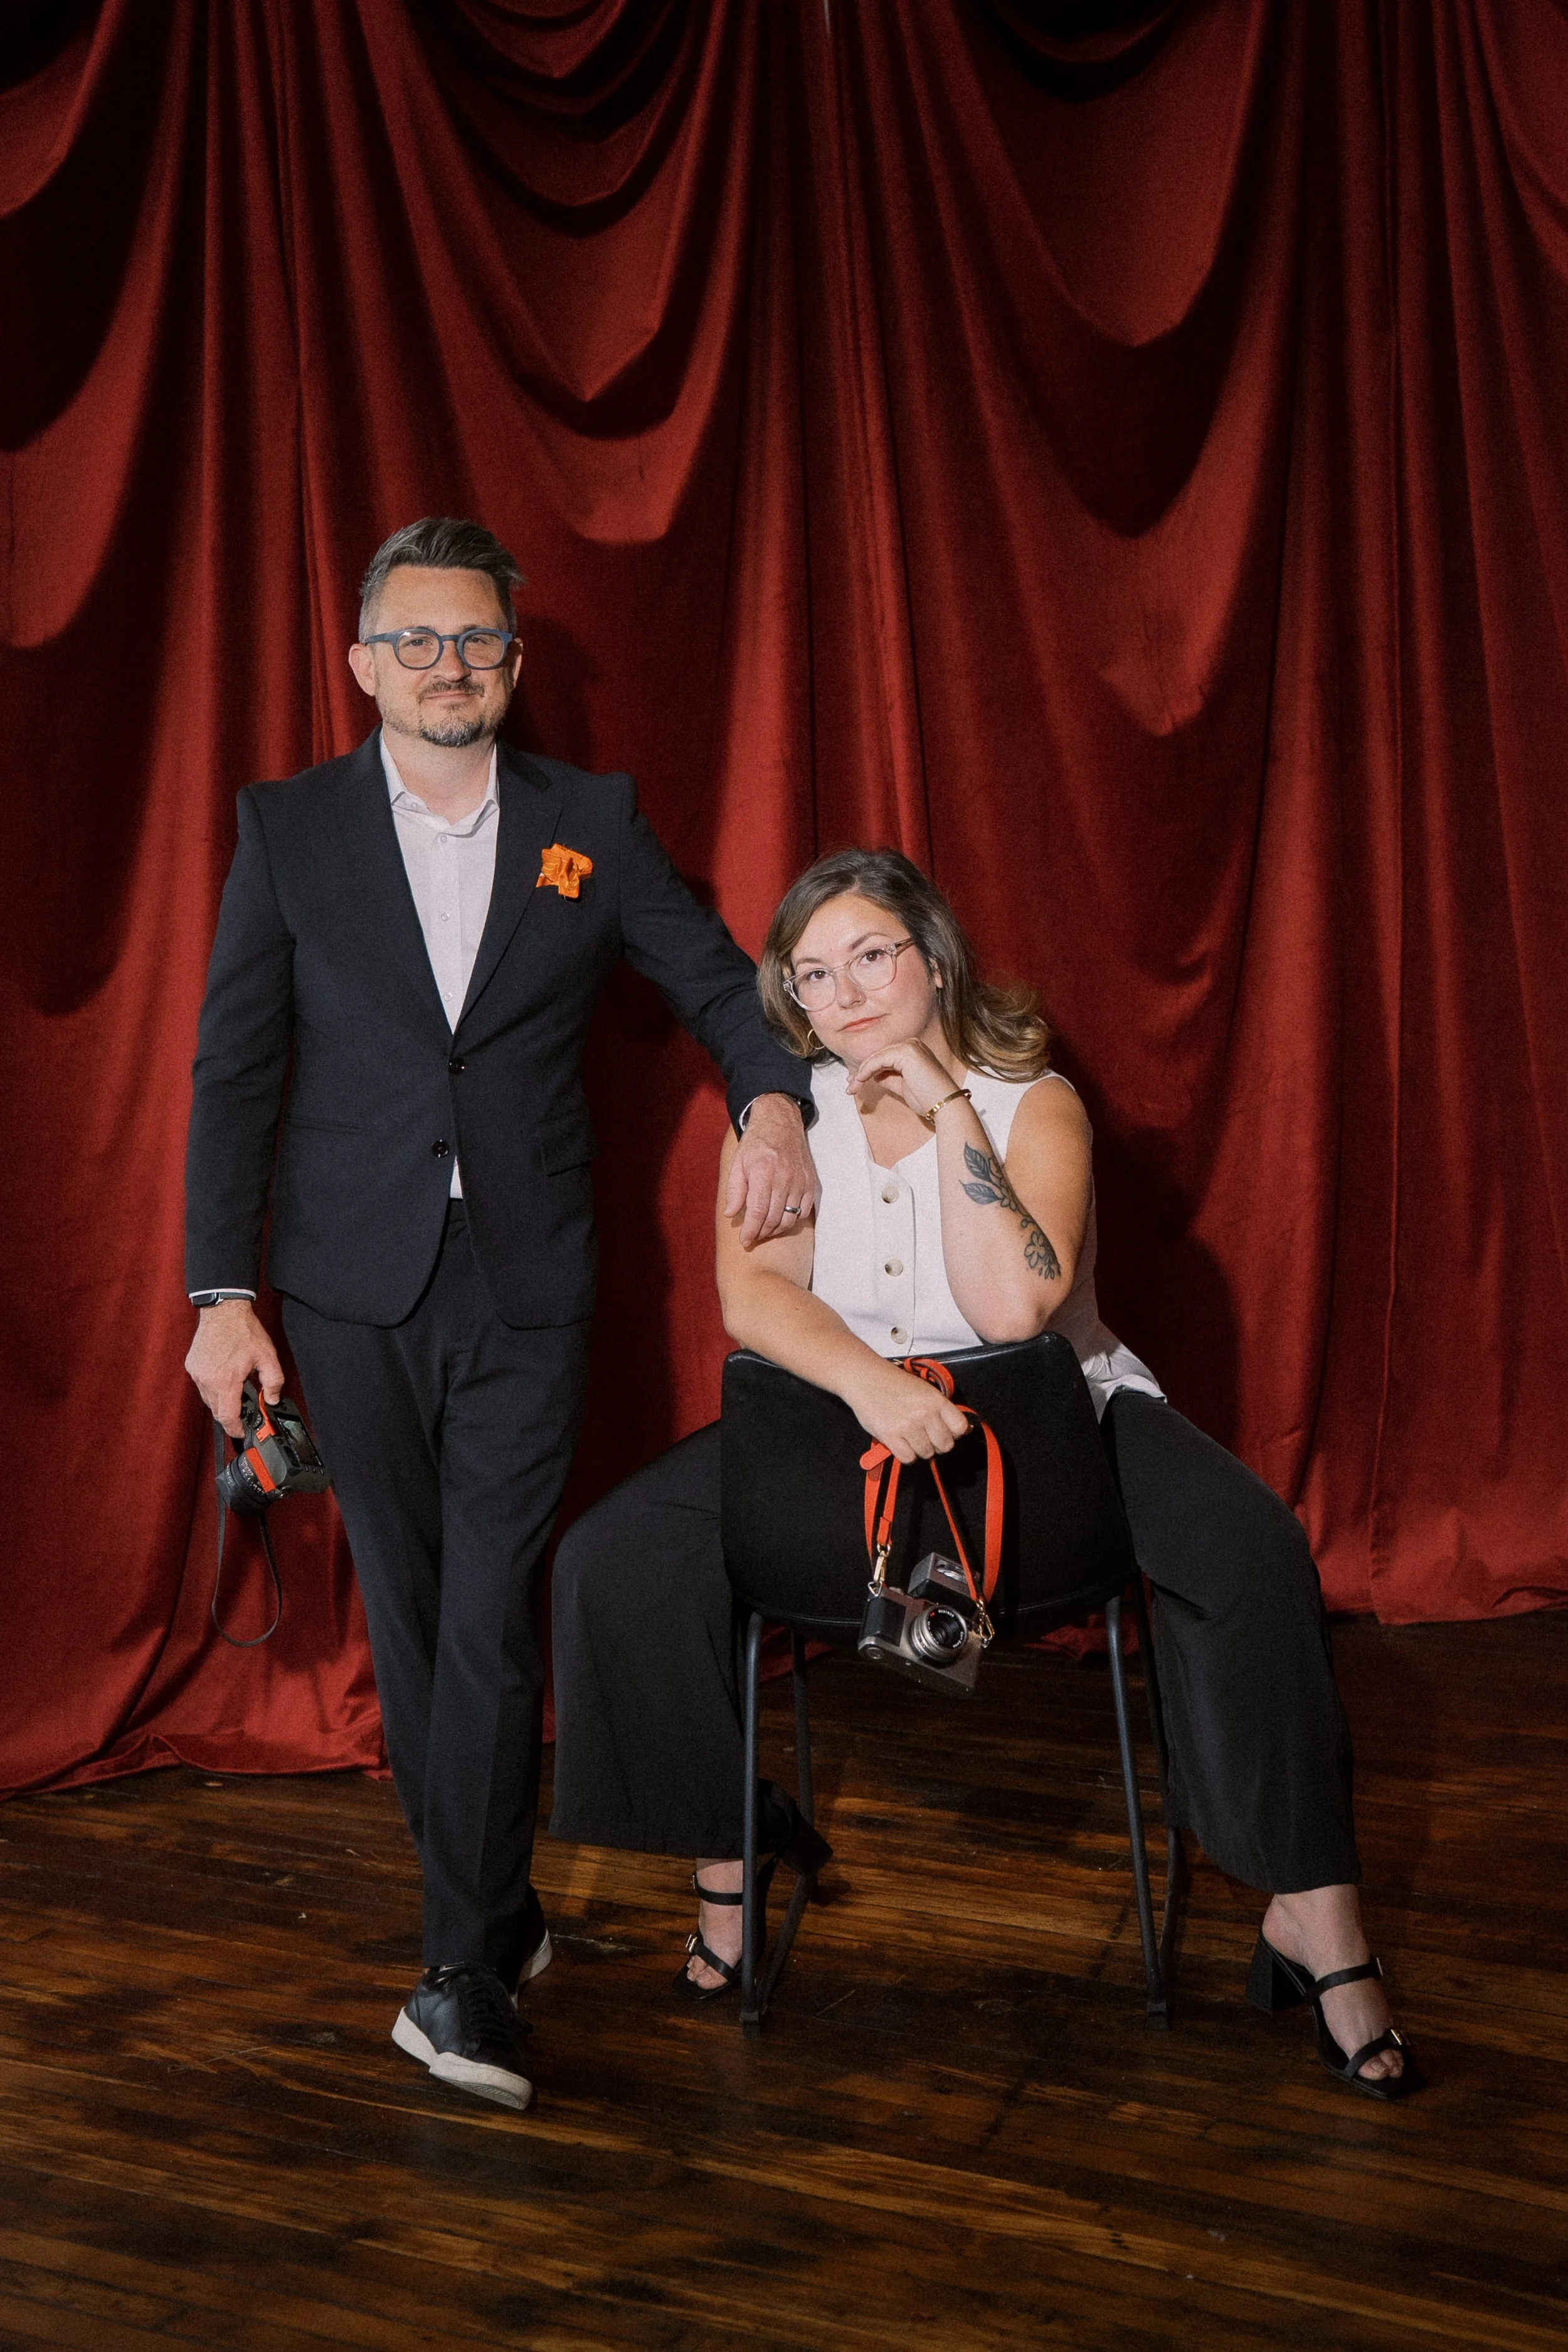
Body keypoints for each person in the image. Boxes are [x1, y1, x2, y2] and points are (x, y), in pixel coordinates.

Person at [551, 847, 1420, 2101]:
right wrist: (868, 1384)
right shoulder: (783, 1113)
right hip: (845, 1424)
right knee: (613, 1562)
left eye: (870, 956)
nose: (844, 994)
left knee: (1250, 1553)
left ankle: (1316, 1925)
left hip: (1055, 1421)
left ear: (931, 955)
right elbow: (751, 1296)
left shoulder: (1033, 1102)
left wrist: (950, 1105)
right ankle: (730, 1854)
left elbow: (1014, 1309)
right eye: (812, 974)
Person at [183, 517, 818, 2114]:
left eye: (474, 642)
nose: (447, 666)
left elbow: (721, 983)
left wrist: (775, 1102)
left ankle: (456, 1979)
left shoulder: (586, 823)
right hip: (347, 1285)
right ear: (361, 665)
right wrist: (220, 1296)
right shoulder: (288, 829)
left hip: (530, 1287)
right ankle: (500, 1911)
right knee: (408, 1621)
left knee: (485, 1616)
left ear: (513, 665)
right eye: (415, 642)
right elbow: (233, 1072)